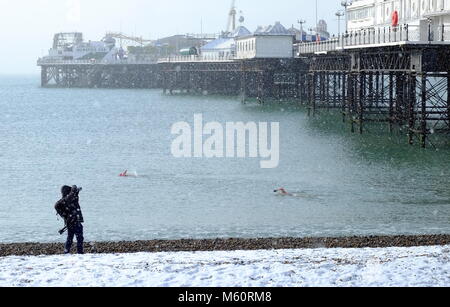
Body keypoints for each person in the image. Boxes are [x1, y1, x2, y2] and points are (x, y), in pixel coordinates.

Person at [55, 185, 84, 254]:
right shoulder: (65, 200)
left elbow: (74, 195)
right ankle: (77, 252)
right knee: (75, 238)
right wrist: (74, 188)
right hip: (72, 222)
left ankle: (68, 252)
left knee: (73, 238)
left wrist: (76, 191)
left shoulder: (72, 198)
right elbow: (68, 198)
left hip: (74, 221)